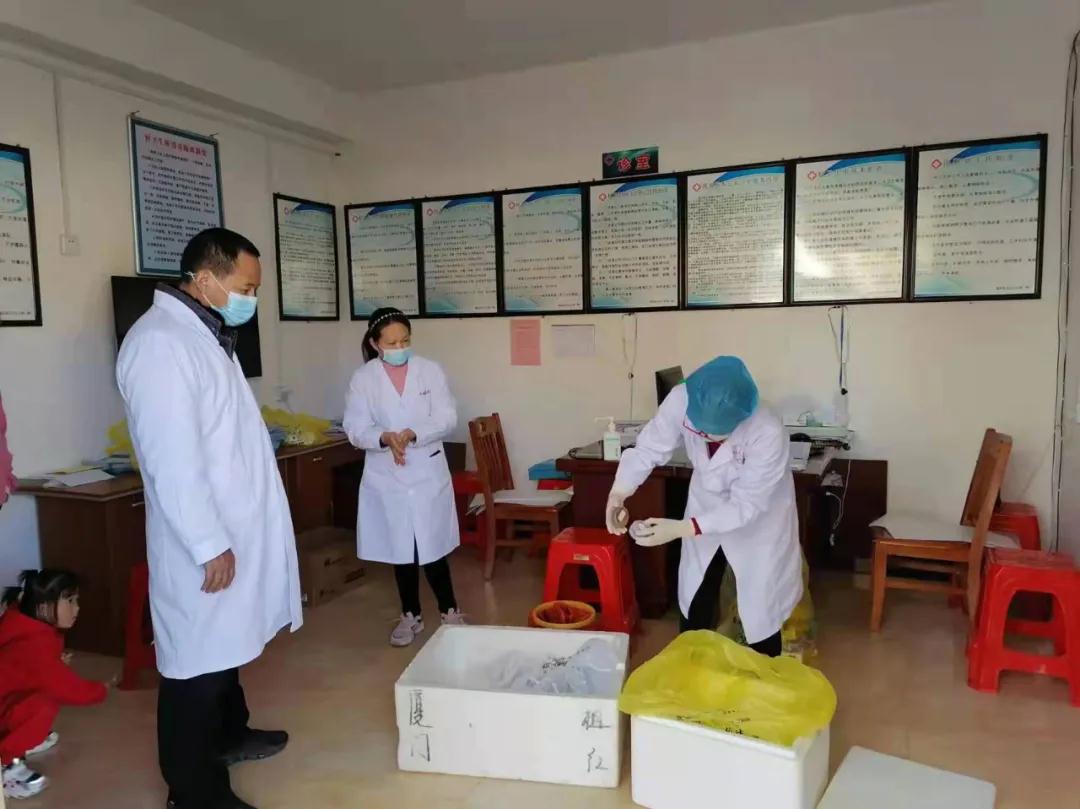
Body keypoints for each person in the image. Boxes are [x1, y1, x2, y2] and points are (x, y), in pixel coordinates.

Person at [117, 228, 303, 809]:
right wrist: (206, 542)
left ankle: (230, 735)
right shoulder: (159, 345)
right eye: (246, 288)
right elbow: (172, 461)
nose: (252, 299)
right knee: (195, 669)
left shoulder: (205, 335)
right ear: (204, 279)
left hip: (228, 530)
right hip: (201, 541)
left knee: (225, 652)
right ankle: (194, 791)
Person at [606, 356, 801, 657]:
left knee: (760, 603)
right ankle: (692, 664)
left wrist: (684, 528)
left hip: (759, 518)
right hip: (706, 500)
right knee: (697, 590)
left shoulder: (767, 429)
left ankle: (765, 671)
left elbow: (746, 504)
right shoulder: (680, 399)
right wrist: (618, 493)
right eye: (700, 430)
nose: (705, 437)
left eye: (716, 433)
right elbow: (648, 449)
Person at [343, 307, 465, 647]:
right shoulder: (363, 379)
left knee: (432, 544)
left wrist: (413, 433)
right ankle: (410, 614)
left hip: (426, 469)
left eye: (405, 340)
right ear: (375, 343)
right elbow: (355, 427)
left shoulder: (430, 371)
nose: (400, 348)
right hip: (388, 474)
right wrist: (384, 438)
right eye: (392, 343)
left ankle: (450, 611)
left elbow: (447, 417)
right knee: (402, 548)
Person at [1, 570, 108, 800]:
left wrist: (54, 662)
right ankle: (6, 763)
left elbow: (26, 668)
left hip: (6, 698)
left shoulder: (22, 622)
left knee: (38, 701)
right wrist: (100, 690)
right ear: (42, 607)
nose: (77, 608)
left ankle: (16, 736)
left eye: (76, 600)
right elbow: (67, 688)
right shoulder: (35, 643)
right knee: (45, 705)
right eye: (70, 601)